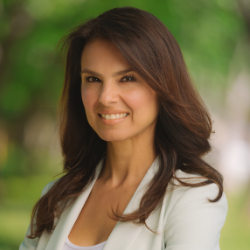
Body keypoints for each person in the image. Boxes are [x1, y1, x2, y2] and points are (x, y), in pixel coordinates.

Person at [20, 6, 228, 250]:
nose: (105, 97)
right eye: (93, 79)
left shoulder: (193, 199)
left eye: (127, 78)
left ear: (163, 87)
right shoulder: (55, 198)